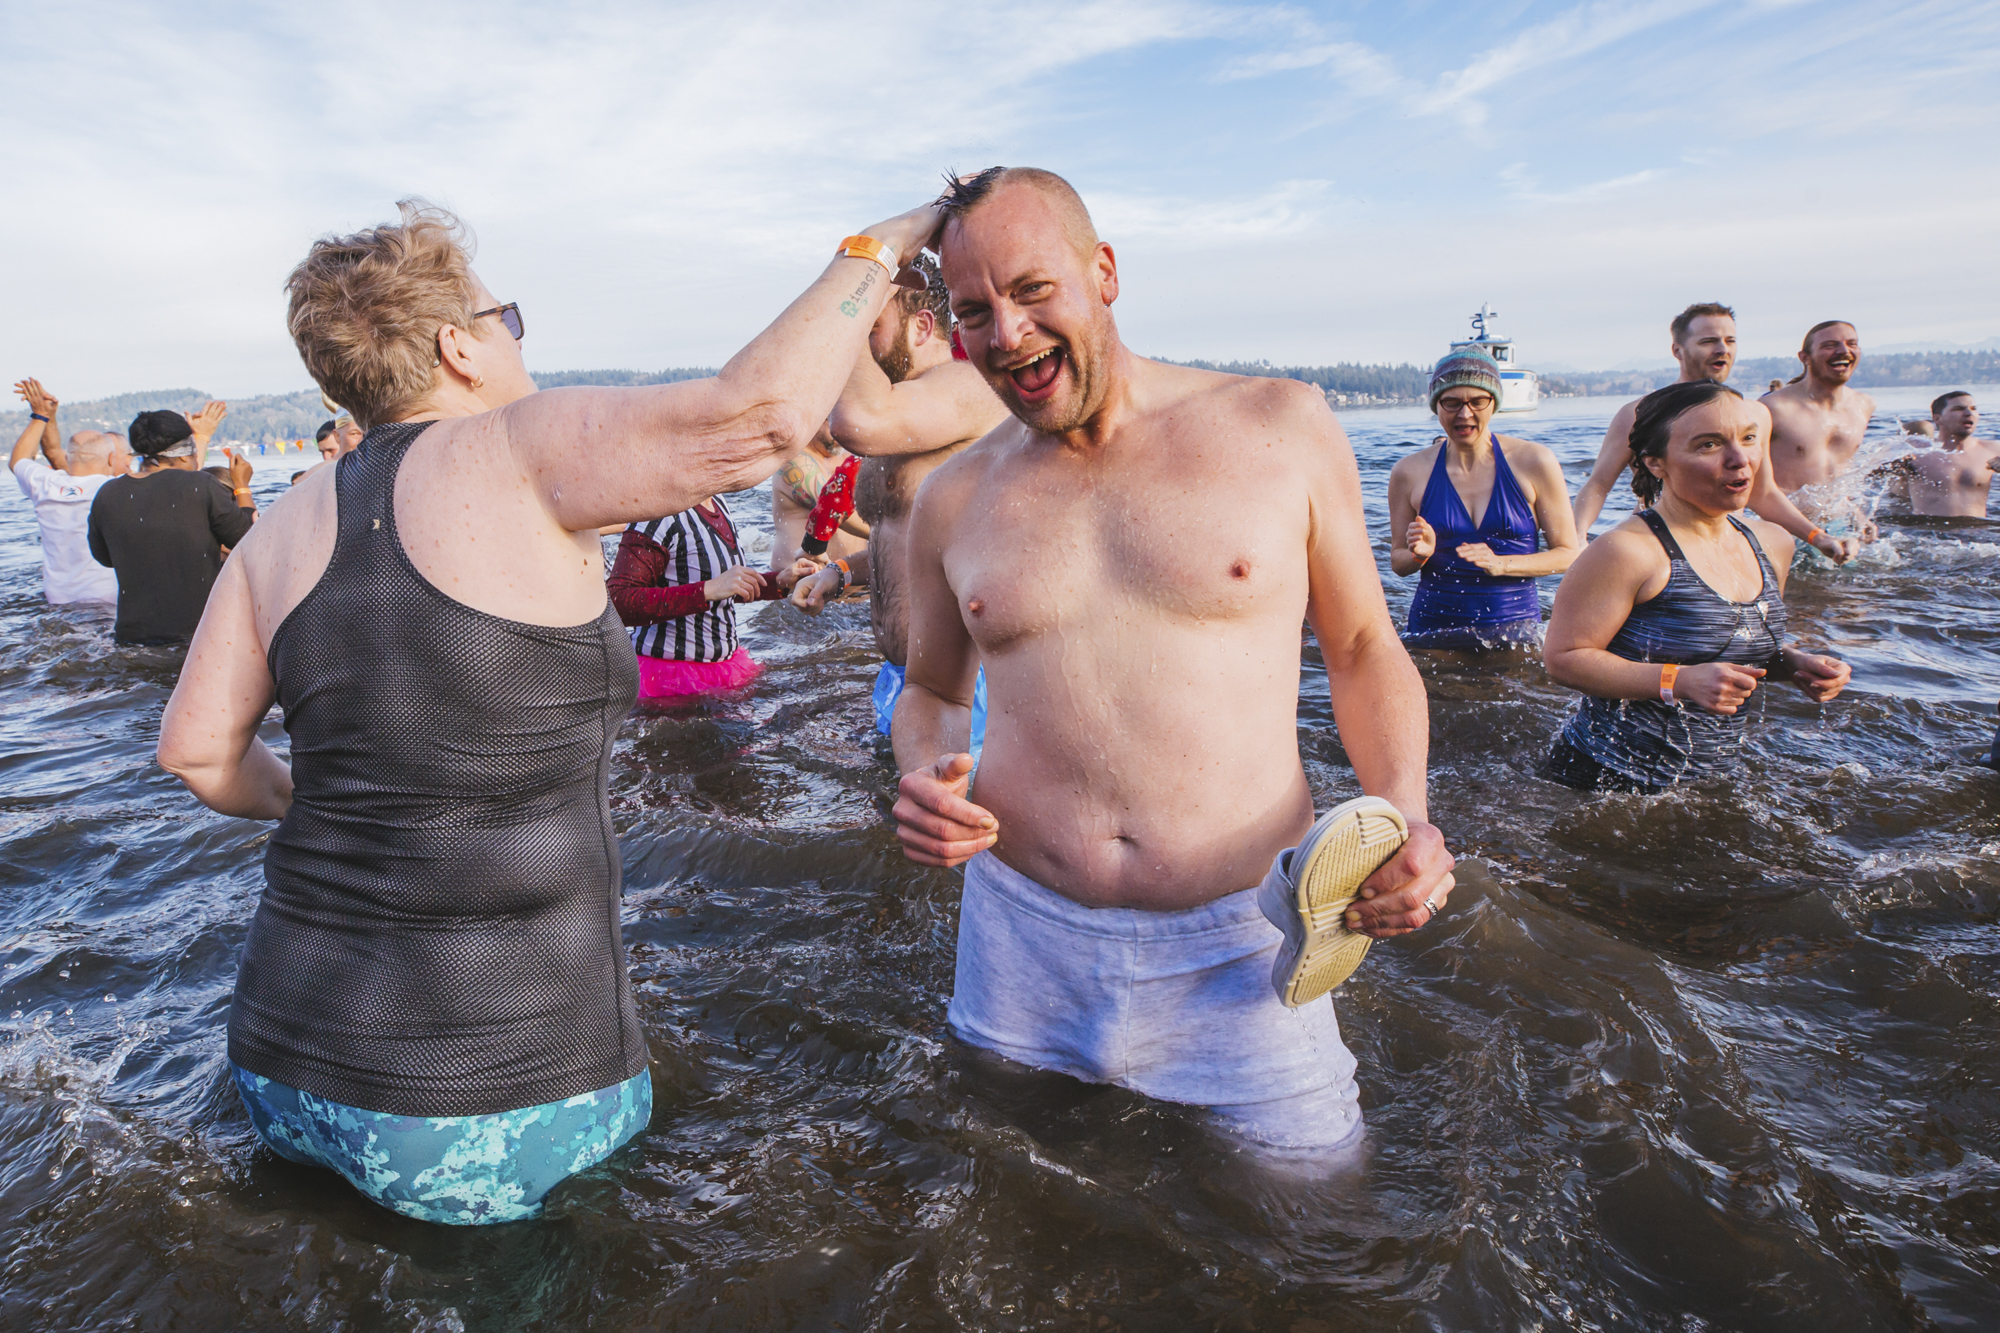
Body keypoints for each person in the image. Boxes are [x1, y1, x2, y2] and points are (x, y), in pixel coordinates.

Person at [153, 196, 944, 1224]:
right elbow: (759, 420)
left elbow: (196, 752)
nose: (517, 341)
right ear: (457, 346)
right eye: (506, 319)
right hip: (486, 1083)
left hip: (280, 1049)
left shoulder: (280, 524)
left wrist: (331, 809)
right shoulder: (518, 450)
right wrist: (883, 245)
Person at [888, 168, 1455, 1154]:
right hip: (1019, 941)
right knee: (1004, 1191)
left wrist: (1403, 813)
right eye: (974, 311)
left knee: (1316, 1209)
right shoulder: (954, 496)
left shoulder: (1279, 426)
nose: (1006, 335)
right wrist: (921, 774)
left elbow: (1364, 646)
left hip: (1246, 941)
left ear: (1104, 272)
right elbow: (932, 688)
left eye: (1032, 290)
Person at [1542, 381, 1850, 793]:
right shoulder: (1628, 551)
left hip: (1712, 780)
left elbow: (1731, 647)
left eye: (1749, 439)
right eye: (1709, 445)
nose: (1739, 459)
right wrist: (1679, 681)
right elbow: (1563, 659)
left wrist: (1794, 664)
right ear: (1656, 463)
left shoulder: (1773, 542)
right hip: (1602, 781)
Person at [791, 257, 1008, 748]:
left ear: (922, 327)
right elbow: (908, 541)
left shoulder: (966, 386)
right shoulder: (905, 418)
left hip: (967, 687)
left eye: (871, 328)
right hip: (900, 680)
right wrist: (840, 573)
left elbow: (855, 419)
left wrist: (852, 291)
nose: (860, 344)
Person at [1572, 304, 1853, 562]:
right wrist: (1576, 539)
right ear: (1678, 350)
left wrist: (1818, 537)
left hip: (1728, 547)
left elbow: (1763, 493)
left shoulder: (1755, 413)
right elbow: (1599, 484)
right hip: (1658, 547)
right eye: (1708, 341)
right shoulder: (1639, 413)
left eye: (1730, 340)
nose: (1722, 349)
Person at [1386, 350, 1578, 648]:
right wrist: (1419, 555)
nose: (1465, 414)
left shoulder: (1535, 462)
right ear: (1436, 405)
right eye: (1452, 402)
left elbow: (1568, 554)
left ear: (1494, 403)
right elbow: (1398, 562)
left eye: (1477, 401)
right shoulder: (1408, 471)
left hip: (1517, 639)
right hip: (1431, 638)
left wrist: (1502, 564)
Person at [608, 495, 813, 700]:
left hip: (726, 669)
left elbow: (723, 587)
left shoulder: (717, 502)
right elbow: (618, 601)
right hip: (667, 681)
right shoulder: (659, 515)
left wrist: (779, 582)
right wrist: (706, 590)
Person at [87, 408, 254, 644]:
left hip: (132, 637)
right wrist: (242, 487)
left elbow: (105, 558)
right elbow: (249, 541)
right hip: (199, 635)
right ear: (186, 455)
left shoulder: (107, 493)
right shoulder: (201, 485)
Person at [1760, 320, 1879, 546]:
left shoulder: (1864, 406)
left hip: (1838, 527)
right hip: (1785, 530)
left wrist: (1858, 516)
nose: (1844, 351)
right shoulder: (1773, 408)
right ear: (1805, 357)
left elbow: (1836, 473)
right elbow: (1755, 484)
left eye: (1852, 344)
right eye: (1830, 345)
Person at [9, 378, 124, 609]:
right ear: (112, 459)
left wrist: (41, 416)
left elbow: (18, 460)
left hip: (58, 599)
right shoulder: (117, 489)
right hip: (106, 601)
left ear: (68, 458)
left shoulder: (45, 484)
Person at [770, 420, 867, 563]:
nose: (845, 429)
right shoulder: (796, 463)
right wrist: (894, 533)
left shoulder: (848, 457)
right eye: (835, 418)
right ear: (817, 417)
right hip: (800, 573)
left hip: (847, 572)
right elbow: (834, 510)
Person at [1904, 393, 1998, 518]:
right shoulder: (1916, 452)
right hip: (1929, 528)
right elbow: (1877, 470)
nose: (1969, 413)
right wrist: (1893, 464)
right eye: (1958, 409)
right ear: (1938, 419)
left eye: (1973, 409)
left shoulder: (1994, 449)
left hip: (1977, 528)